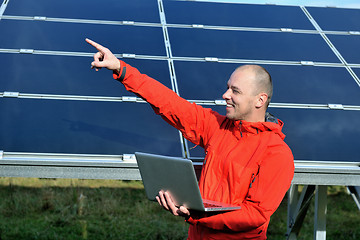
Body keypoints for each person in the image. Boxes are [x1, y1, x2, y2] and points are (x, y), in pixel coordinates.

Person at [86, 38, 294, 240]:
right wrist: (121, 69)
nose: (225, 94)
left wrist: (197, 215)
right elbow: (171, 104)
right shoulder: (217, 127)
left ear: (260, 100)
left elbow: (255, 215)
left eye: (235, 91)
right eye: (228, 87)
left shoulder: (276, 153)